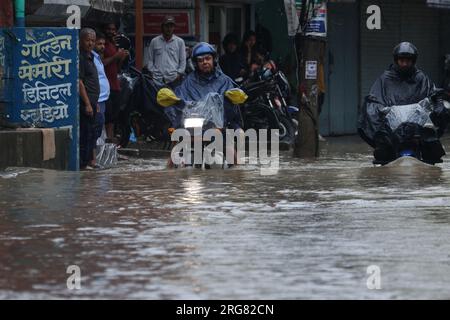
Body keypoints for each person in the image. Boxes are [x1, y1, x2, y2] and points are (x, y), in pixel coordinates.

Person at [358, 42, 449, 163]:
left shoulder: (421, 78)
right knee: (382, 154)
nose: (405, 64)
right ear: (396, 60)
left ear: (413, 61)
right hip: (392, 128)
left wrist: (438, 104)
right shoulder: (385, 79)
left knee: (433, 151)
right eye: (402, 60)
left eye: (408, 61)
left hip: (418, 128)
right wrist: (377, 109)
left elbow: (432, 94)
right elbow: (374, 98)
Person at [164, 42, 242, 131]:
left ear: (214, 60)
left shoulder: (224, 81)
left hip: (220, 127)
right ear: (195, 64)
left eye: (208, 58)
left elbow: (232, 107)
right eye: (200, 60)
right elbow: (178, 101)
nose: (204, 62)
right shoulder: (187, 82)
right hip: (193, 126)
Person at [102, 22, 129, 141]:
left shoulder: (114, 45)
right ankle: (105, 142)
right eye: (108, 28)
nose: (111, 31)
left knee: (113, 117)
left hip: (115, 85)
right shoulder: (103, 44)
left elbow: (117, 68)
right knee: (106, 117)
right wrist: (115, 57)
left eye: (113, 29)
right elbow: (101, 64)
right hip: (105, 86)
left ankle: (110, 142)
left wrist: (121, 58)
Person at [79, 28, 100, 170]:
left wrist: (94, 103)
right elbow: (79, 82)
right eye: (88, 40)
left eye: (93, 40)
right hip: (85, 103)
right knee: (86, 133)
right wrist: (87, 103)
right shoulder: (80, 58)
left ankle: (89, 162)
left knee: (92, 133)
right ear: (81, 40)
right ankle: (83, 164)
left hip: (93, 102)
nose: (90, 43)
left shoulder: (91, 57)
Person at [146, 16, 186, 88]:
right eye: (167, 26)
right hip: (157, 80)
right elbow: (150, 60)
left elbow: (183, 61)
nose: (169, 28)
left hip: (173, 80)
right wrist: (152, 72)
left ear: (174, 27)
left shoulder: (180, 42)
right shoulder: (154, 41)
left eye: (171, 26)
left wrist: (178, 74)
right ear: (162, 27)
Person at [91, 32, 110, 168]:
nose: (102, 47)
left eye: (104, 44)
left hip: (102, 98)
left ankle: (98, 158)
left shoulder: (97, 58)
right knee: (96, 128)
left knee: (100, 127)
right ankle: (93, 159)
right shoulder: (89, 58)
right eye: (99, 44)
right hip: (96, 99)